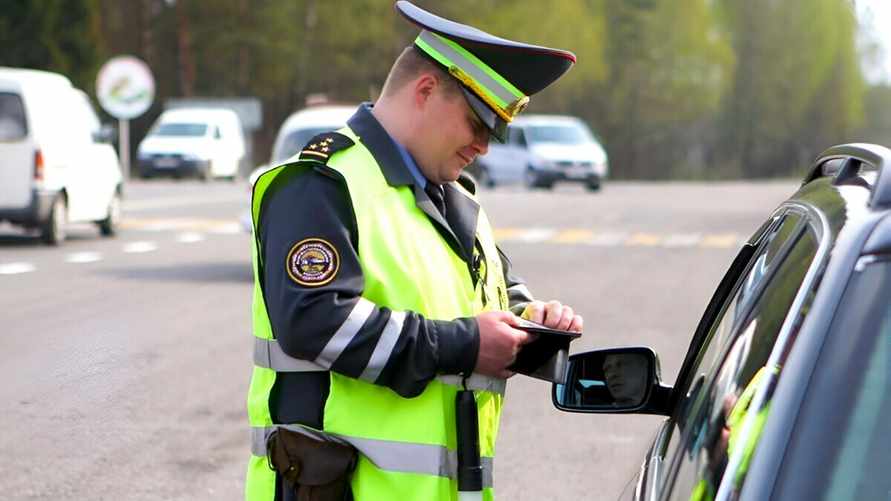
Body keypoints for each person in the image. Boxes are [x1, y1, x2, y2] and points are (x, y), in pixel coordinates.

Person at [245, 2, 581, 500]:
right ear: (425, 91)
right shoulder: (319, 183)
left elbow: (489, 299)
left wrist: (533, 322)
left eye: (495, 132)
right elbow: (315, 323)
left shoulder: (458, 200)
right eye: (478, 123)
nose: (484, 147)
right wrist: (467, 344)